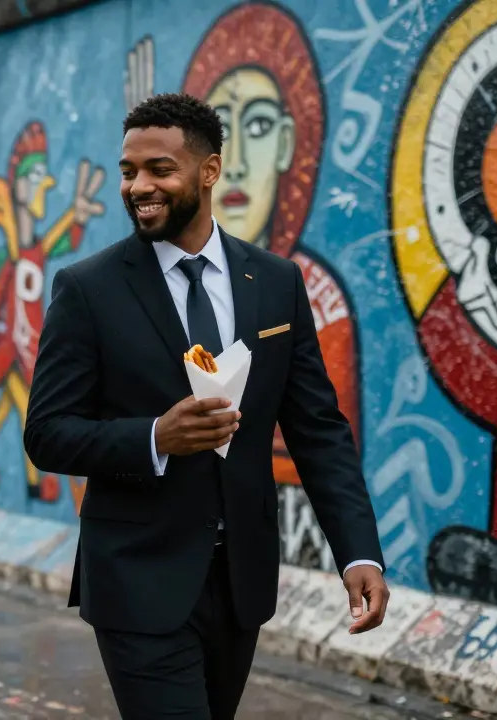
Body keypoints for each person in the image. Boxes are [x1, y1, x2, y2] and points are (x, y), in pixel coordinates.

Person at [22, 93, 389, 720]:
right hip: (137, 579)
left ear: (209, 171)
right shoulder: (87, 289)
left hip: (242, 578)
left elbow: (318, 430)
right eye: (129, 171)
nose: (139, 186)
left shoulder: (276, 282)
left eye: (160, 170)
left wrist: (357, 550)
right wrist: (154, 438)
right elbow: (48, 434)